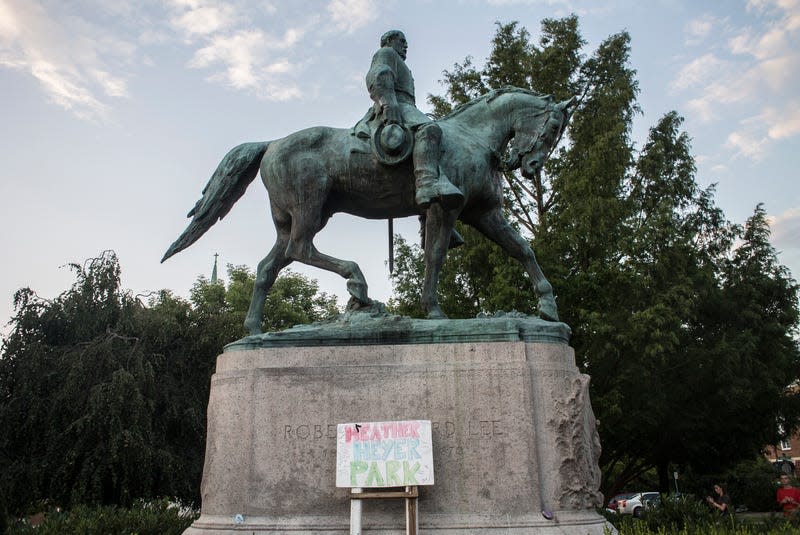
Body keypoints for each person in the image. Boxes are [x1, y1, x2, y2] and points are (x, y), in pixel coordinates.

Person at [365, 30, 463, 210]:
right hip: (398, 104)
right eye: (401, 41)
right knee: (429, 129)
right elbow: (378, 75)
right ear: (389, 40)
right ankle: (426, 184)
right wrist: (388, 102)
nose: (406, 45)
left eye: (406, 42)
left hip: (407, 106)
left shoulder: (401, 63)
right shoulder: (386, 53)